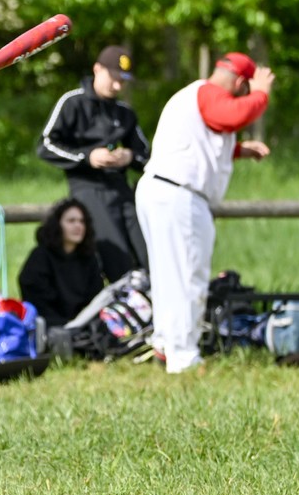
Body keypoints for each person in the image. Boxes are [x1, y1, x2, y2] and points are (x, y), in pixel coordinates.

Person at [135, 52, 273, 373]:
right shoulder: (208, 92)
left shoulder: (193, 96)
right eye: (245, 88)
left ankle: (167, 345)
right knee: (188, 275)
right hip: (179, 196)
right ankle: (183, 357)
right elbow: (230, 115)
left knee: (169, 276)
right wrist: (261, 93)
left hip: (162, 190)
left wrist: (239, 150)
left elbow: (204, 139)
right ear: (240, 82)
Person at [37, 45, 151, 271]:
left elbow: (147, 155)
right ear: (97, 69)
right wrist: (88, 156)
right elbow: (46, 145)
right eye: (114, 78)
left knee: (148, 255)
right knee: (119, 261)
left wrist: (129, 156)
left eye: (123, 81)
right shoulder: (72, 103)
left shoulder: (124, 112)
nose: (118, 86)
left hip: (122, 189)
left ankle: (149, 301)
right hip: (87, 188)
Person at [17, 198, 129, 327]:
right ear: (57, 224)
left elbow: (95, 297)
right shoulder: (41, 256)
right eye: (71, 221)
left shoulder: (88, 258)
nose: (78, 226)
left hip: (83, 325)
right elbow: (34, 294)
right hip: (49, 325)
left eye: (82, 221)